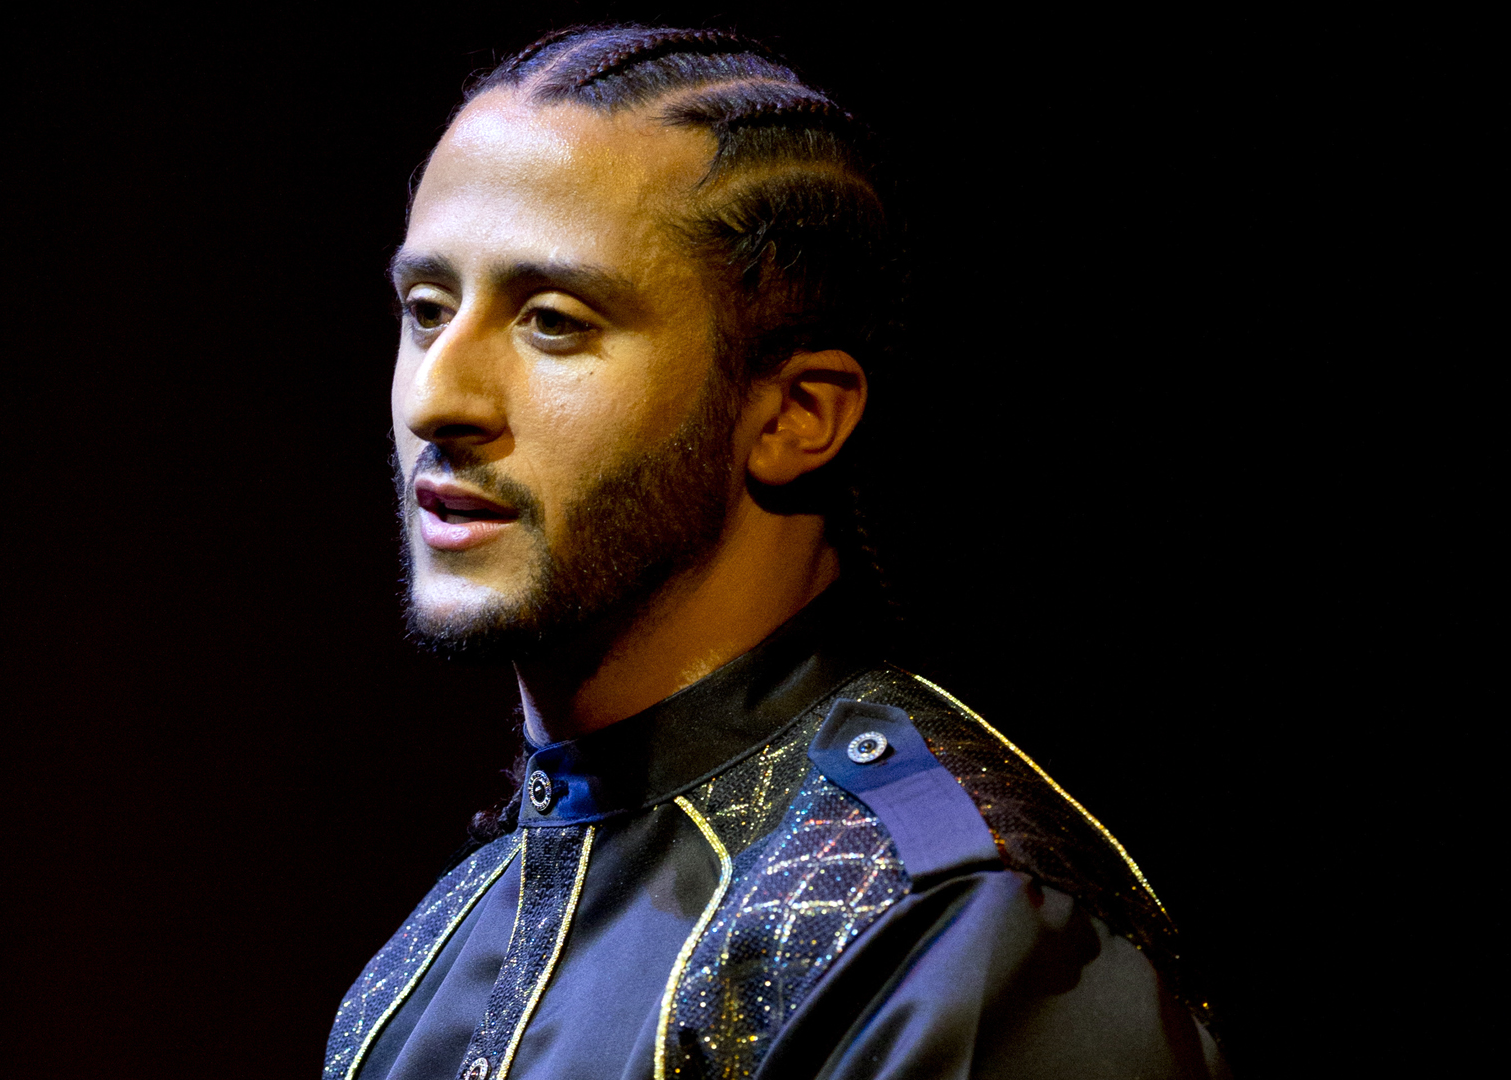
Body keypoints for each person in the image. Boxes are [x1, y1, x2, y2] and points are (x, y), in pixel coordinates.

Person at [326, 25, 1228, 1080]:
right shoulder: (438, 954)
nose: (439, 398)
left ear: (798, 414)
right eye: (427, 310)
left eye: (554, 322)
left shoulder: (947, 934)